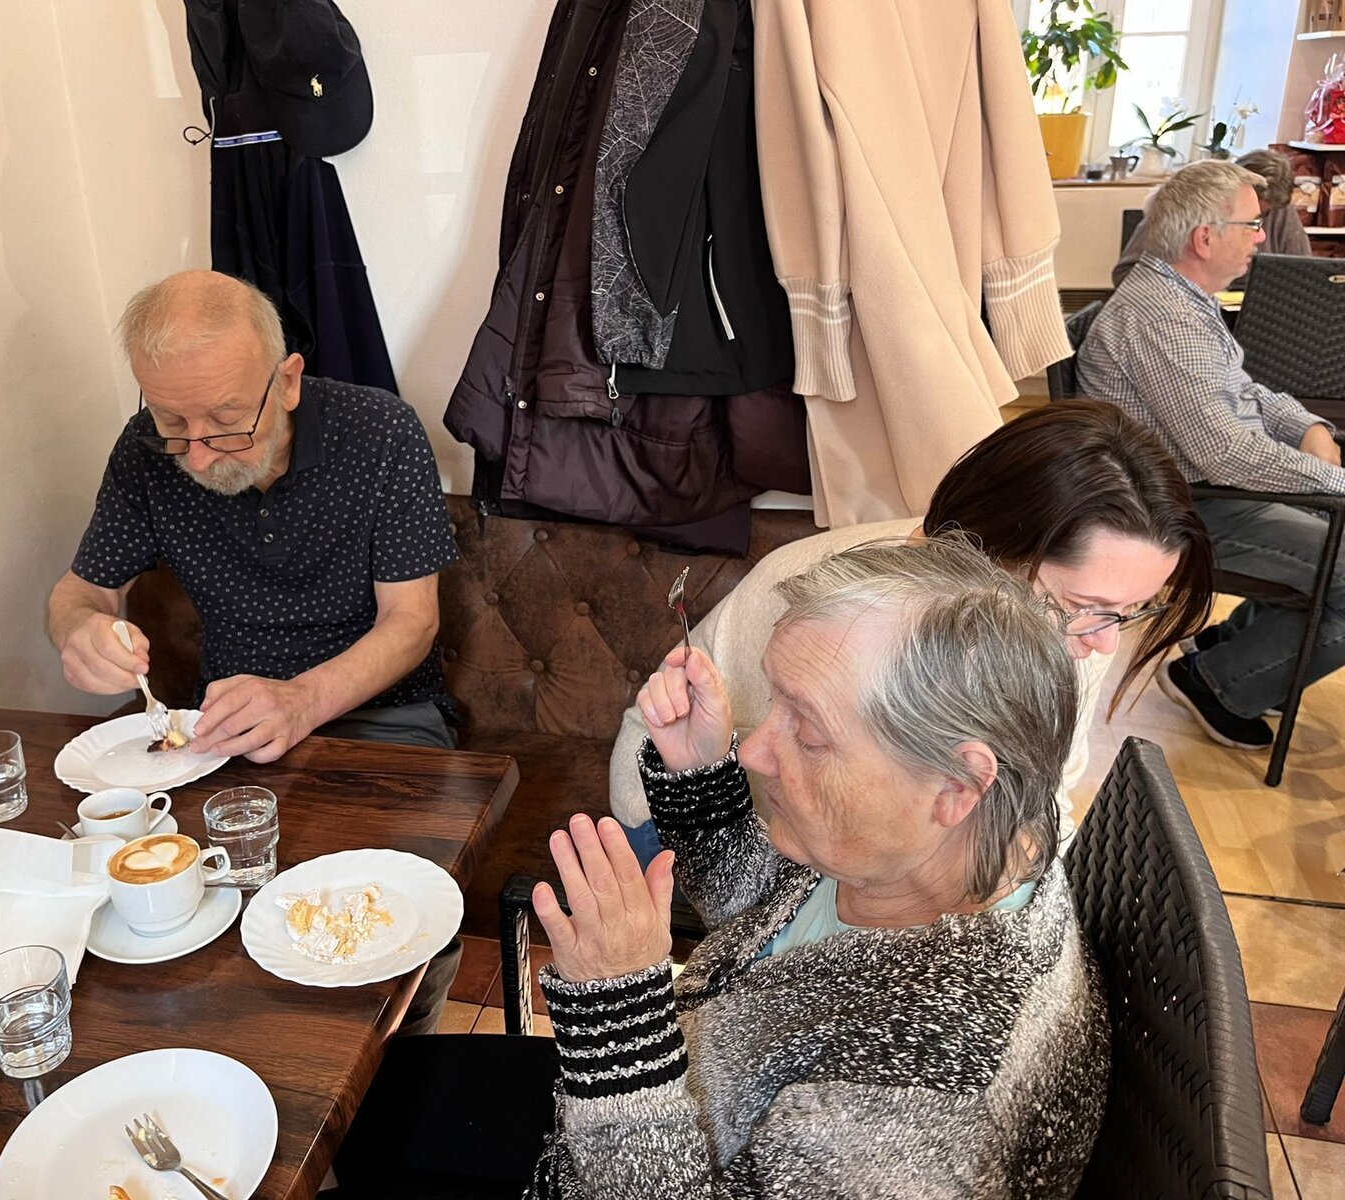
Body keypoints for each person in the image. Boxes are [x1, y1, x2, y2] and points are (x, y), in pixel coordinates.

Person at [328, 538, 1108, 1198]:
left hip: (634, 1133)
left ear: (957, 785)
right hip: (665, 1086)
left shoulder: (929, 1102)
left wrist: (620, 1015)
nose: (756, 749)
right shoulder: (938, 849)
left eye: (808, 731)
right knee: (373, 1101)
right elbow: (767, 927)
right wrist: (701, 781)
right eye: (774, 705)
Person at [47, 268, 462, 1033]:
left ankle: (400, 1051)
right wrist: (81, 631)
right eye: (173, 423)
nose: (200, 455)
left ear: (289, 380)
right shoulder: (143, 450)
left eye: (228, 421)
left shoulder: (381, 432)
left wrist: (301, 700)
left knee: (377, 938)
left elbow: (412, 622)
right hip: (224, 732)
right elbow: (79, 594)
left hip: (388, 724)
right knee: (172, 930)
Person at [611, 400, 1213, 862]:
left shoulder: (1076, 630)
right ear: (987, 552)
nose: (1105, 643)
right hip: (698, 821)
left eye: (1131, 611)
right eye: (1087, 607)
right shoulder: (842, 619)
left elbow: (1043, 800)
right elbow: (815, 854)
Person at [1077, 160, 1345, 751]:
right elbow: (1226, 453)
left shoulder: (1180, 298)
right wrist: (1332, 480)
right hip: (1181, 509)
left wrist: (1306, 425)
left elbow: (1243, 392)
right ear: (1205, 238)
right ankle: (1220, 684)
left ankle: (1234, 654)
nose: (1262, 236)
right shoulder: (1164, 317)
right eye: (1252, 224)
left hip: (1201, 491)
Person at [1112, 148, 1310, 288]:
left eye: (1261, 214)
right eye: (1246, 207)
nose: (1260, 234)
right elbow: (1127, 274)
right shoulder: (1185, 204)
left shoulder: (1280, 209)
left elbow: (1305, 274)